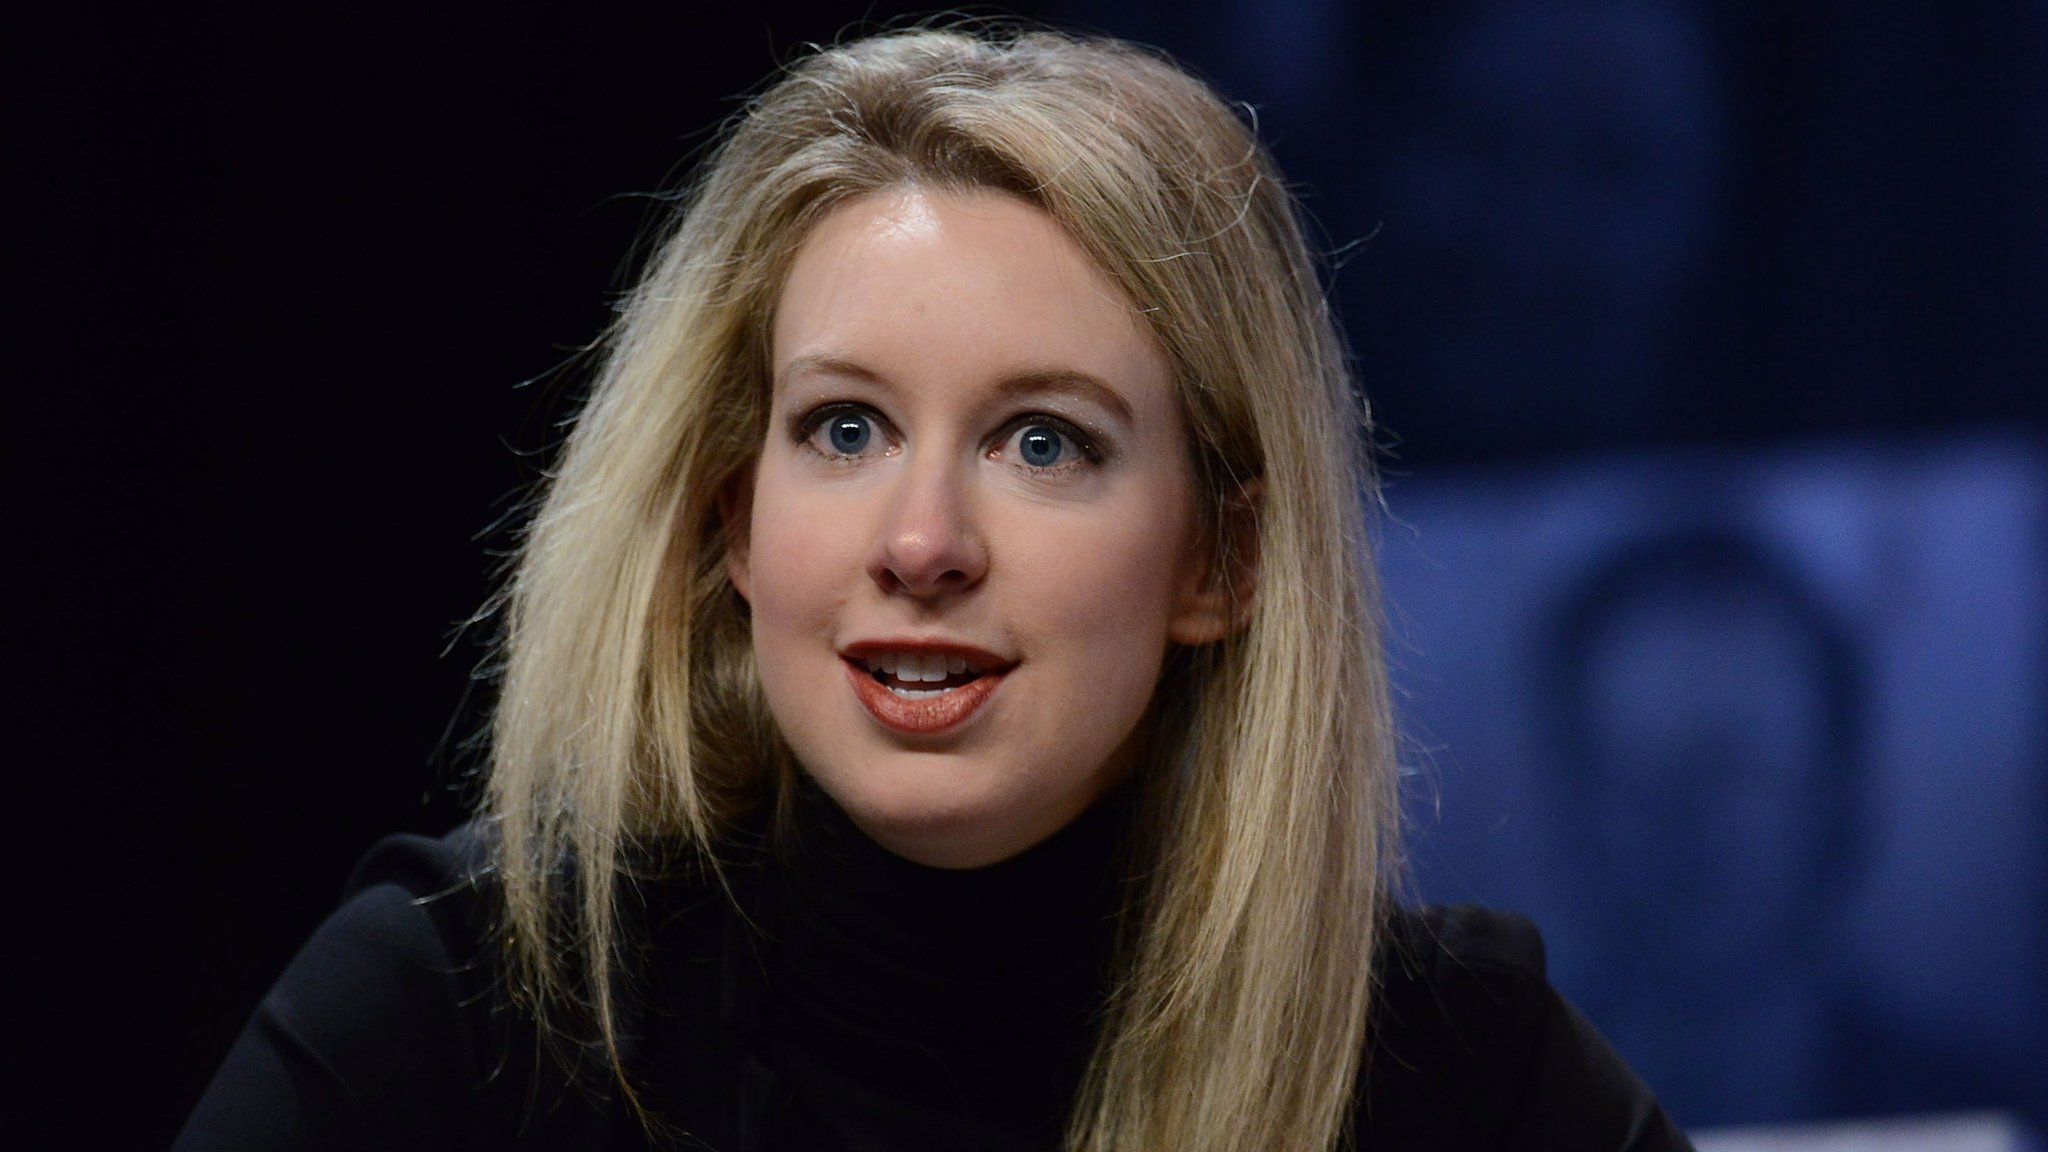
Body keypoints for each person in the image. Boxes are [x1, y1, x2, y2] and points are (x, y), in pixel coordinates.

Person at [176, 25, 1691, 1152]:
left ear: (1221, 563)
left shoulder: (1451, 1073)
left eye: (1045, 443)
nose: (922, 541)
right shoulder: (456, 1014)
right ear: (732, 524)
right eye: (845, 430)